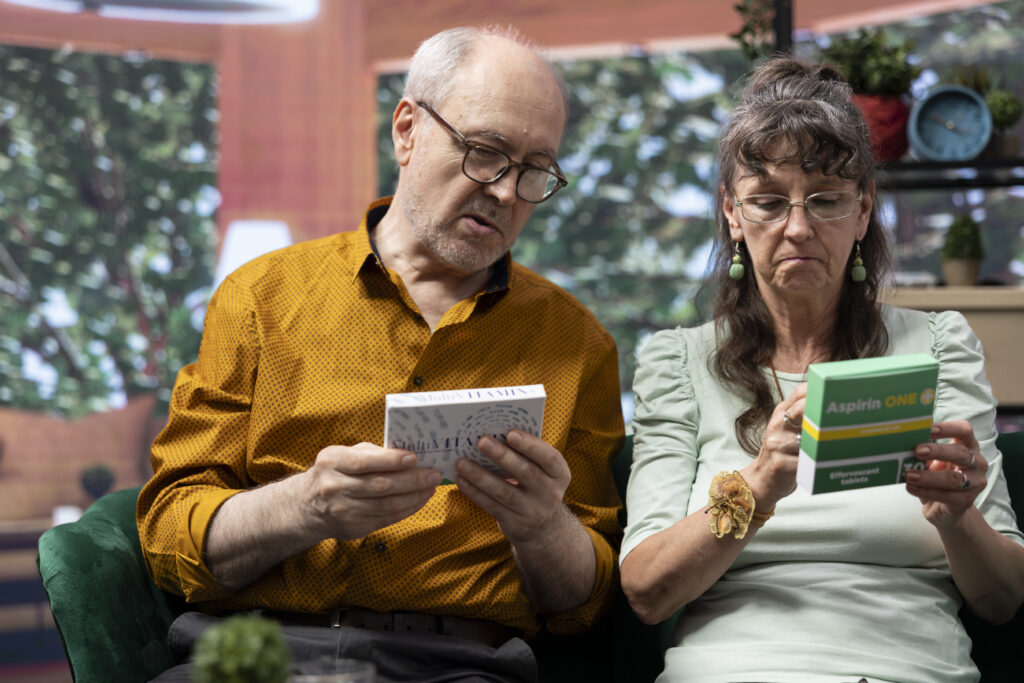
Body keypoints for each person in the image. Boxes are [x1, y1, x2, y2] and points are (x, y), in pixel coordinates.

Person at [137, 25, 624, 683]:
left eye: (535, 170)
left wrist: (543, 527)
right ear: (407, 130)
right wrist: (304, 506)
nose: (508, 192)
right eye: (486, 153)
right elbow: (170, 535)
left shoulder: (577, 343)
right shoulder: (261, 298)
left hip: (460, 666)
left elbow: (585, 600)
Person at [619, 57, 1024, 683]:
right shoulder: (679, 362)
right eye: (768, 202)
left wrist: (957, 516)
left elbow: (1003, 600)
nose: (798, 228)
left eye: (827, 200)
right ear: (733, 214)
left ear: (863, 212)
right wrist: (757, 487)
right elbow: (646, 592)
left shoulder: (937, 345)